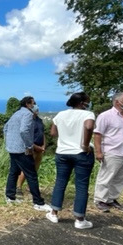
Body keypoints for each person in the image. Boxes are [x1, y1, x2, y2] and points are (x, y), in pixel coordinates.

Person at [45, 92, 96, 229]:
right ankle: (80, 219)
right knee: (81, 185)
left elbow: (53, 133)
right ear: (82, 103)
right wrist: (85, 145)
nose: (89, 104)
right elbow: (89, 126)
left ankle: (54, 213)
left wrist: (66, 137)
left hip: (62, 153)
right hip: (81, 153)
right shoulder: (87, 114)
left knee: (60, 182)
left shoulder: (60, 115)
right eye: (87, 101)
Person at [3, 96, 51, 211]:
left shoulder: (16, 114)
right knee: (31, 174)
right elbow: (24, 130)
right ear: (28, 104)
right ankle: (38, 203)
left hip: (12, 148)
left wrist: (9, 142)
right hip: (22, 149)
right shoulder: (27, 115)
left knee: (13, 172)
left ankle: (10, 197)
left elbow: (5, 128)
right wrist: (29, 146)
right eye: (33, 103)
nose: (35, 106)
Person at [16, 106, 45, 196]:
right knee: (26, 169)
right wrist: (34, 146)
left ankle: (30, 186)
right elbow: (26, 135)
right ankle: (18, 187)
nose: (37, 110)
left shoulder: (39, 120)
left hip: (40, 148)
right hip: (31, 148)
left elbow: (42, 133)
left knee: (35, 169)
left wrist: (43, 146)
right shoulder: (28, 120)